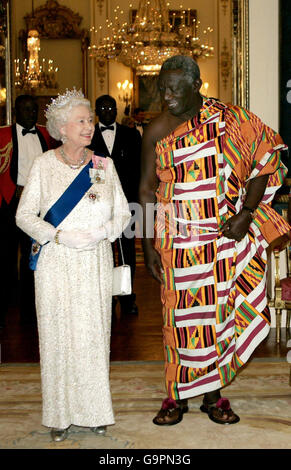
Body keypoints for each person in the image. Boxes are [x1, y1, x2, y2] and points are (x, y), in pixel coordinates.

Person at [139, 55, 290, 426]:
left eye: (176, 88)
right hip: (177, 241)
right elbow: (145, 190)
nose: (168, 95)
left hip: (223, 241)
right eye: (163, 88)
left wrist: (247, 213)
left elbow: (266, 158)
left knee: (218, 317)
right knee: (179, 319)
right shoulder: (156, 129)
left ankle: (213, 395)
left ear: (197, 86)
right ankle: (175, 395)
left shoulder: (230, 119)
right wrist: (146, 245)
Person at [16, 89, 131, 442]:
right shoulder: (43, 166)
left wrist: (102, 232)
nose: (88, 126)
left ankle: (94, 410)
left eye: (90, 121)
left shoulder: (103, 166)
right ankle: (60, 416)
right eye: (81, 121)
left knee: (93, 337)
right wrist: (58, 236)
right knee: (58, 339)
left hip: (94, 261)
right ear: (61, 128)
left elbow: (124, 213)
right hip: (55, 263)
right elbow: (23, 215)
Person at [0, 94, 57, 327]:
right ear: (16, 112)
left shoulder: (46, 135)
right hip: (10, 202)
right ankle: (2, 311)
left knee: (33, 259)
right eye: (26, 110)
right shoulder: (3, 135)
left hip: (38, 206)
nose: (31, 114)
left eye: (34, 110)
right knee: (4, 258)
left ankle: (30, 313)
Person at [89, 95, 142, 315]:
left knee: (128, 251)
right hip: (97, 205)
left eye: (111, 106)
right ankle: (105, 298)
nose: (108, 110)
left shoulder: (131, 134)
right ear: (96, 111)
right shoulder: (88, 135)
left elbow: (140, 168)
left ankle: (128, 298)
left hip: (128, 202)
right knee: (103, 251)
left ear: (117, 110)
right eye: (103, 107)